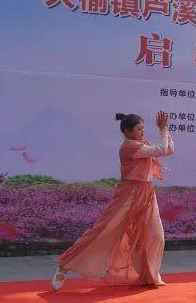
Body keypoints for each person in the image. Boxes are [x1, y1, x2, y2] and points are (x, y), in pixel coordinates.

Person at [52, 111, 174, 290]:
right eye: (139, 129)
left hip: (147, 193)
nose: (142, 132)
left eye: (143, 129)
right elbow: (162, 149)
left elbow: (168, 149)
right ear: (127, 131)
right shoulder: (129, 147)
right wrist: (162, 128)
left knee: (155, 236)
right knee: (103, 231)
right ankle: (64, 267)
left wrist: (165, 130)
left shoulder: (142, 144)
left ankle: (151, 275)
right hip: (129, 194)